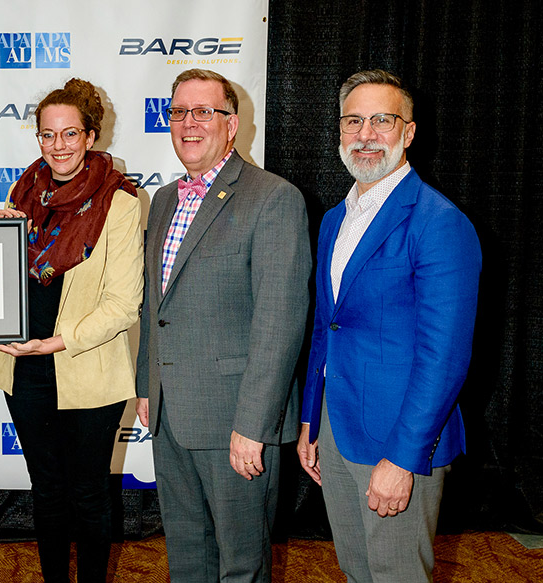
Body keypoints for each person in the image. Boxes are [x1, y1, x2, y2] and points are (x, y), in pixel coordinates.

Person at [297, 69, 482, 582]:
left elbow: (444, 358)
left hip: (399, 440)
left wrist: (403, 458)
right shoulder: (335, 218)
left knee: (397, 575)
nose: (366, 133)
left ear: (410, 132)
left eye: (382, 120)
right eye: (354, 121)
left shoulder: (439, 222)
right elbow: (325, 327)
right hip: (336, 431)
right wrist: (312, 420)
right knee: (357, 572)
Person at [135, 69, 311, 582]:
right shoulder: (165, 199)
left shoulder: (273, 198)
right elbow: (156, 305)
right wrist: (150, 384)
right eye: (178, 112)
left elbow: (279, 324)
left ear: (231, 125)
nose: (188, 124)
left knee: (241, 563)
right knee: (187, 557)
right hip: (170, 415)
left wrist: (253, 427)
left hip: (236, 422)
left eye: (203, 112)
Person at [0, 78, 143, 583]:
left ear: (91, 136)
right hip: (24, 368)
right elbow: (8, 282)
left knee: (90, 495)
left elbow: (123, 304)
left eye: (70, 134)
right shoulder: (21, 193)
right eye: (47, 135)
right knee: (47, 493)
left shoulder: (119, 202)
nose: (58, 145)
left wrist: (56, 342)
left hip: (85, 369)